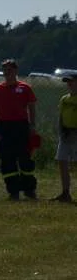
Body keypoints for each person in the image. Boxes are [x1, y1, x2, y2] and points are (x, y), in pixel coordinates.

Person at [0, 59, 38, 200]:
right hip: (3, 127)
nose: (7, 73)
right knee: (7, 159)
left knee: (25, 158)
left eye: (9, 70)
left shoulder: (25, 88)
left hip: (21, 126)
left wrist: (32, 125)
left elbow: (32, 107)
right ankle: (13, 191)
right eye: (4, 70)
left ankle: (29, 189)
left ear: (16, 71)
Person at [52, 74, 77, 202]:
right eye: (67, 82)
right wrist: (62, 130)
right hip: (66, 134)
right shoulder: (64, 99)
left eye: (71, 82)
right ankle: (65, 192)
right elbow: (61, 116)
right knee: (62, 161)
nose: (69, 84)